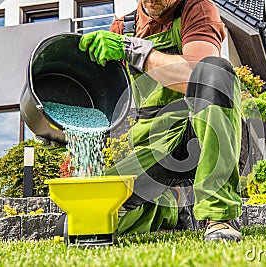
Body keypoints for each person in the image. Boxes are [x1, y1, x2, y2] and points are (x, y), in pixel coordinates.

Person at [78, 0, 243, 241]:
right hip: (153, 142)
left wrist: (135, 52)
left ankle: (219, 217)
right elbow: (104, 94)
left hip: (202, 132)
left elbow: (198, 74)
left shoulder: (196, 9)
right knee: (87, 218)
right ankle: (171, 210)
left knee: (215, 71)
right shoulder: (123, 28)